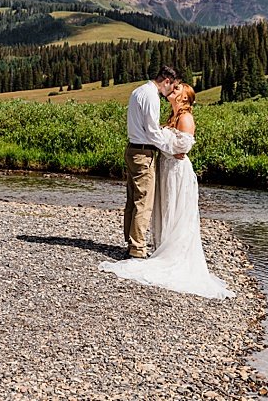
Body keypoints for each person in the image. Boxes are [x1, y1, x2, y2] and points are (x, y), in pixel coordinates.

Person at [100, 83, 234, 298]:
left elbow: (183, 148)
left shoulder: (185, 118)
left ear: (184, 98)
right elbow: (168, 142)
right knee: (163, 206)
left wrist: (167, 146)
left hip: (177, 170)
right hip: (166, 167)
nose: (173, 90)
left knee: (174, 207)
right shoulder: (173, 116)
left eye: (178, 89)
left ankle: (171, 252)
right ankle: (160, 246)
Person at [123, 66, 179, 259]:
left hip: (132, 149)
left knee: (132, 199)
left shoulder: (138, 91)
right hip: (143, 153)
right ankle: (137, 249)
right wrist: (172, 149)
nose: (172, 92)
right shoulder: (152, 96)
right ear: (166, 81)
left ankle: (130, 241)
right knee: (143, 202)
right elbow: (152, 132)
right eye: (173, 87)